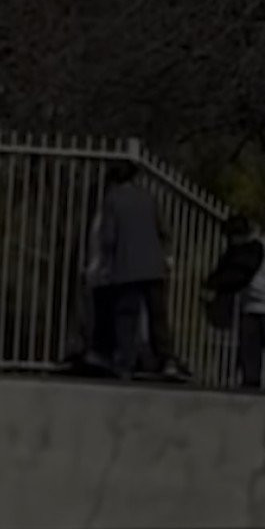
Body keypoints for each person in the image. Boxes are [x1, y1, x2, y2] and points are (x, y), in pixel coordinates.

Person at [97, 161, 187, 379]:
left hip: (126, 266)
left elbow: (109, 236)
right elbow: (163, 229)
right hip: (154, 266)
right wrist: (167, 256)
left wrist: (105, 263)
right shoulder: (148, 198)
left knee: (126, 315)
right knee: (158, 315)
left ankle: (125, 362)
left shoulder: (112, 200)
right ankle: (166, 359)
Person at [203, 216, 265, 391]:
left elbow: (239, 274)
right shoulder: (237, 249)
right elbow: (226, 268)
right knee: (249, 351)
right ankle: (251, 384)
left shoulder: (255, 248)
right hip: (252, 306)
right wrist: (211, 283)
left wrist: (213, 285)